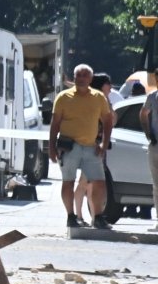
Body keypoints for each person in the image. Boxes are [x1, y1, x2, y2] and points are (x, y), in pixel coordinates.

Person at [49, 64, 117, 229]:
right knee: (68, 182)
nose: (81, 79)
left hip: (90, 147)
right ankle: (71, 216)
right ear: (74, 78)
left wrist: (104, 142)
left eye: (85, 76)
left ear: (91, 79)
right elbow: (55, 123)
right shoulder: (63, 97)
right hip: (69, 147)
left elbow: (107, 121)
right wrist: (51, 147)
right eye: (78, 75)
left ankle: (98, 217)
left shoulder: (98, 97)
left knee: (99, 182)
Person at [144, 80, 158, 229]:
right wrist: (149, 133)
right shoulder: (152, 97)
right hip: (156, 146)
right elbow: (143, 113)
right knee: (157, 185)